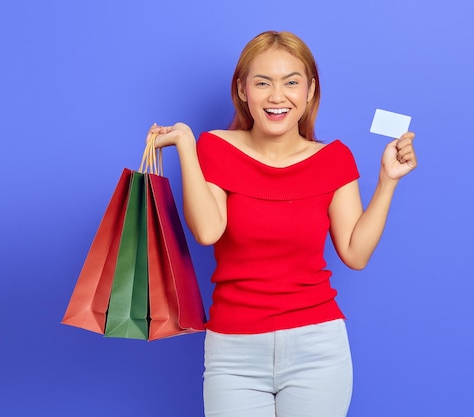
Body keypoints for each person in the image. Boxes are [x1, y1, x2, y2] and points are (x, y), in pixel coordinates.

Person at [149, 30, 417, 417]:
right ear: (242, 91)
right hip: (234, 351)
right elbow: (208, 231)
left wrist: (387, 180)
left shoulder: (335, 159)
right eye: (263, 83)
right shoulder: (214, 147)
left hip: (318, 349)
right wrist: (187, 147)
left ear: (310, 91)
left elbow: (355, 254)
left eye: (291, 82)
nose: (278, 97)